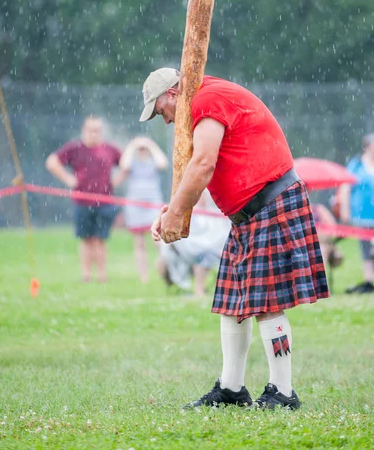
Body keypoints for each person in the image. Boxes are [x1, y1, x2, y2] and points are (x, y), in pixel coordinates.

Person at [140, 67, 329, 410]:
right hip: (248, 212)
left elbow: (202, 165)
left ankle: (283, 393)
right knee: (233, 302)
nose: (164, 120)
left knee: (267, 302)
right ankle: (231, 389)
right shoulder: (204, 98)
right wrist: (175, 209)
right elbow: (201, 171)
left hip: (270, 201)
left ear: (171, 94)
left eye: (159, 111)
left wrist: (175, 214)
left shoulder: (207, 99)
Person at [45, 116, 121, 283]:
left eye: (97, 130)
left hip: (105, 202)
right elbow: (52, 162)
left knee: (100, 240)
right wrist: (68, 180)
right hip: (81, 202)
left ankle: (102, 276)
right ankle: (86, 275)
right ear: (84, 130)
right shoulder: (74, 148)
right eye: (90, 130)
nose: (94, 134)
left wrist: (116, 180)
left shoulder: (110, 149)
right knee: (86, 239)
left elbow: (126, 164)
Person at [116, 136, 168, 283]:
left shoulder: (153, 162)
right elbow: (123, 165)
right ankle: (143, 276)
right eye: (141, 149)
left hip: (152, 205)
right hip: (135, 206)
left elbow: (163, 163)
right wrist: (133, 145)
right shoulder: (132, 163)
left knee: (159, 241)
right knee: (139, 243)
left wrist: (151, 145)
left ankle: (164, 270)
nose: (142, 150)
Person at [159, 191, 229, 297]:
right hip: (188, 246)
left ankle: (199, 290)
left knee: (203, 255)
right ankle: (183, 287)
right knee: (164, 256)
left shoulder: (211, 213)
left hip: (208, 244)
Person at [339, 133, 374, 294]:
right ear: (367, 147)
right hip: (362, 215)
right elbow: (345, 187)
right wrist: (344, 210)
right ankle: (369, 281)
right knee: (366, 249)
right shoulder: (356, 165)